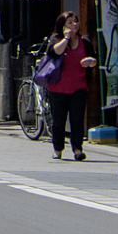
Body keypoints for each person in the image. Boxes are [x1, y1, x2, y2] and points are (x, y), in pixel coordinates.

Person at [45, 11, 98, 160]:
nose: (74, 24)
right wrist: (67, 38)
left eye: (76, 21)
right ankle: (58, 149)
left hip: (78, 86)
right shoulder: (56, 39)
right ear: (62, 26)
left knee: (77, 119)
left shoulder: (84, 42)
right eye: (70, 22)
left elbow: (93, 60)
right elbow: (55, 52)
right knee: (59, 120)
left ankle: (77, 149)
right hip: (58, 87)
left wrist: (91, 62)